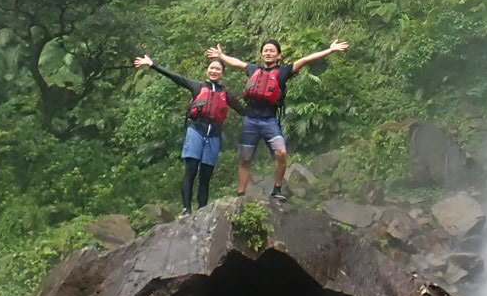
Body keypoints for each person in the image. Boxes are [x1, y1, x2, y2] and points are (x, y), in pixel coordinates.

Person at [208, 38, 350, 200]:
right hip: (251, 120)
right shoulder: (253, 69)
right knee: (245, 158)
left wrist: (330, 50)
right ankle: (240, 194)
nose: (268, 53)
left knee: (281, 153)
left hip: (269, 120)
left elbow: (305, 59)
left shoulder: (283, 71)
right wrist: (221, 55)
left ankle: (277, 189)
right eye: (265, 51)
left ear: (279, 56)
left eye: (272, 51)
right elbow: (236, 63)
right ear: (261, 54)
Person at [134, 53, 240, 214]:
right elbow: (176, 77)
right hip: (196, 130)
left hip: (214, 135)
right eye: (211, 68)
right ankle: (187, 209)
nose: (214, 71)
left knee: (206, 175)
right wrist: (153, 64)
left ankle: (203, 210)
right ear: (207, 70)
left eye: (218, 69)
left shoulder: (226, 93)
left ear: (222, 73)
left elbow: (242, 109)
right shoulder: (197, 86)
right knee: (191, 170)